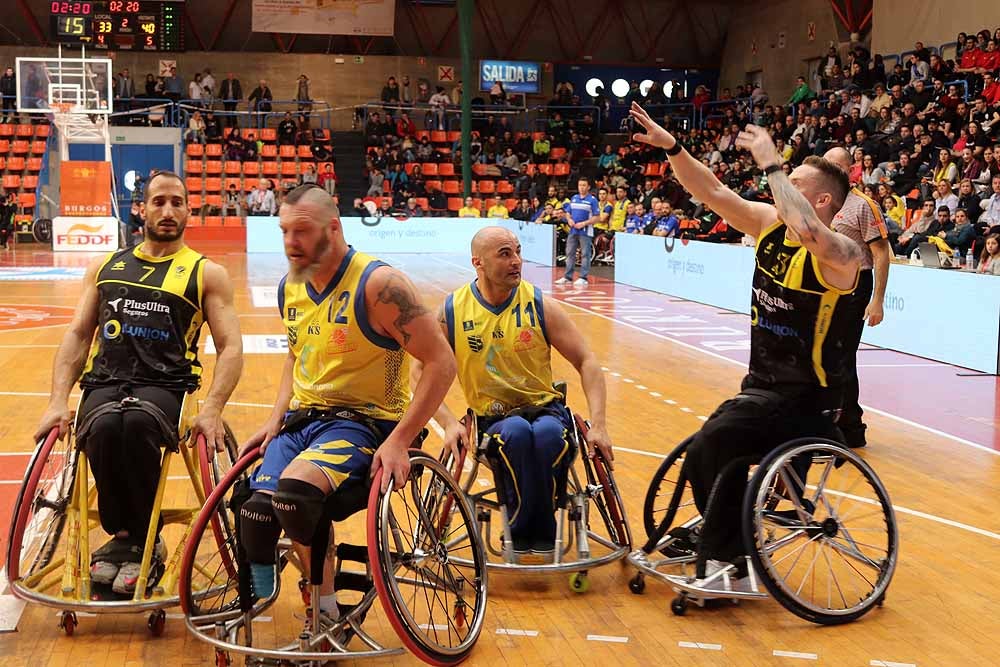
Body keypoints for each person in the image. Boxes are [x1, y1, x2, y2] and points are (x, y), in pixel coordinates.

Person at [629, 102, 861, 585]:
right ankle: (727, 534)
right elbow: (711, 191)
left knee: (713, 446)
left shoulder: (843, 256)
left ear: (821, 202)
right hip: (761, 388)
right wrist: (674, 148)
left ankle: (733, 558)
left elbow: (810, 234)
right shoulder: (767, 224)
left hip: (807, 400)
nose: (779, 188)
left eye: (794, 184)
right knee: (710, 450)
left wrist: (773, 164)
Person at [237, 185, 455, 621]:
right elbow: (296, 356)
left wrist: (400, 441)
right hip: (304, 420)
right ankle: (266, 588)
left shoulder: (380, 285)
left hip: (365, 422)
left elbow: (441, 363)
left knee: (294, 495)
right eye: (284, 232)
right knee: (254, 511)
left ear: (333, 228)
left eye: (302, 231)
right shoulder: (290, 287)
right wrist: (275, 419)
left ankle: (326, 607)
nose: (290, 243)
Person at [33, 171, 243, 595]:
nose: (168, 211)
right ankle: (127, 539)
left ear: (188, 210)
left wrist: (213, 408)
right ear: (140, 208)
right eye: (159, 201)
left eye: (178, 202)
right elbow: (77, 335)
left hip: (165, 385)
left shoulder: (206, 273)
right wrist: (58, 399)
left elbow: (231, 346)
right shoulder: (106, 266)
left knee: (138, 424)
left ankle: (141, 542)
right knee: (105, 427)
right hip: (105, 381)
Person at [415, 226, 613, 559]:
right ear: (478, 262)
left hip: (546, 408)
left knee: (551, 435)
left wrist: (600, 423)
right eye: (505, 254)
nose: (516, 261)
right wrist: (448, 421)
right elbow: (420, 370)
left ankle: (534, 528)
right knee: (517, 435)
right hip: (493, 418)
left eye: (518, 251)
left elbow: (587, 361)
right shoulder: (453, 310)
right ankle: (528, 529)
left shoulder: (538, 304)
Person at [823, 148, 891, 448]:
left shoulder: (864, 206)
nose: (831, 170)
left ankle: (851, 427)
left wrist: (877, 300)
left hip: (855, 285)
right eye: (827, 165)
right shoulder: (819, 201)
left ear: (852, 170)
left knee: (842, 356)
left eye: (837, 165)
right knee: (823, 355)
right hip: (825, 284)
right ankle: (828, 420)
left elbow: (881, 255)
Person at [555, 178, 601, 287]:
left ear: (588, 187)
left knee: (585, 254)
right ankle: (567, 276)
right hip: (573, 230)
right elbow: (568, 213)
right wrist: (569, 220)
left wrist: (584, 223)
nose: (581, 187)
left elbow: (597, 217)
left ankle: (583, 277)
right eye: (580, 185)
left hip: (585, 231)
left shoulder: (592, 200)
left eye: (584, 185)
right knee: (570, 253)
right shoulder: (574, 198)